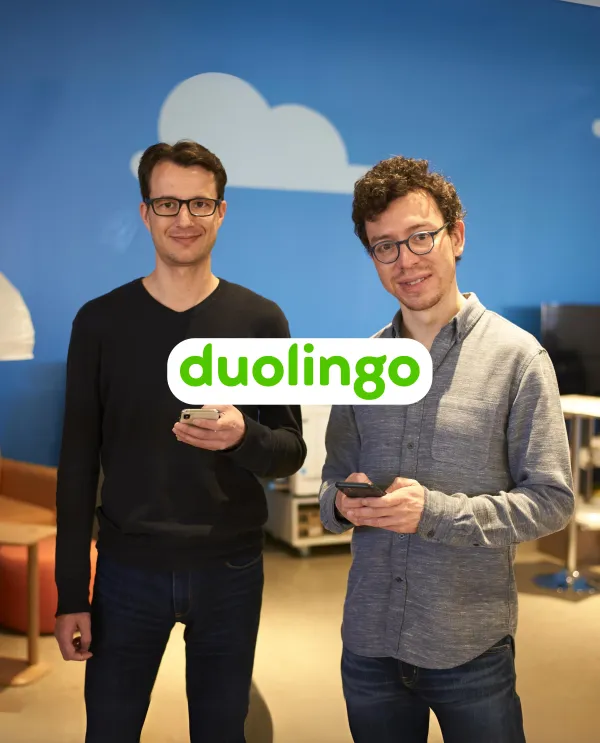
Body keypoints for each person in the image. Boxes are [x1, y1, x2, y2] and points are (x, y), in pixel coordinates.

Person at [54, 139, 307, 743]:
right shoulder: (100, 322)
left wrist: (242, 436)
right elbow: (77, 464)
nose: (184, 219)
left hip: (231, 570)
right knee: (109, 730)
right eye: (168, 204)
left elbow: (290, 449)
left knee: (221, 731)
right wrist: (70, 594)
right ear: (145, 213)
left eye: (200, 204)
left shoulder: (261, 321)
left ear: (221, 212)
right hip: (126, 570)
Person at [319, 155, 574, 743]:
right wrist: (343, 504)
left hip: (470, 648)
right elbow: (332, 484)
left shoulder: (519, 358)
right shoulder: (360, 366)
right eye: (384, 247)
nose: (405, 260)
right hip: (369, 645)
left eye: (420, 237)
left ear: (455, 236)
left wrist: (432, 512)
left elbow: (552, 500)